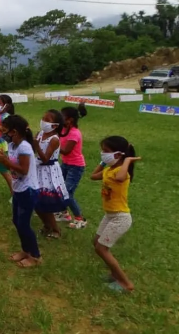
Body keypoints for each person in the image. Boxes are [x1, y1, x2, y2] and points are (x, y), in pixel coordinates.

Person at [0, 115, 41, 268]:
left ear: (14, 132)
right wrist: (3, 158)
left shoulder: (24, 147)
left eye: (5, 131)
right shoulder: (12, 145)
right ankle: (25, 251)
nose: (2, 133)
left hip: (28, 190)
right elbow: (13, 165)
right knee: (16, 221)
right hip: (18, 188)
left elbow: (24, 171)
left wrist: (5, 161)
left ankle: (35, 256)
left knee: (24, 224)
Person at [91, 136, 138, 292]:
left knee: (101, 249)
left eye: (106, 152)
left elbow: (119, 177)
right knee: (96, 242)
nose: (103, 153)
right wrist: (103, 162)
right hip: (110, 215)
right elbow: (93, 176)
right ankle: (114, 274)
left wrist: (127, 161)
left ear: (119, 154)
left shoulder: (122, 173)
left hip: (120, 218)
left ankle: (126, 284)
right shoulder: (109, 170)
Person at [33, 110, 70, 239]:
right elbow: (33, 151)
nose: (43, 121)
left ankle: (55, 229)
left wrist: (37, 146)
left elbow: (45, 159)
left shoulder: (54, 140)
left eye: (47, 119)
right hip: (37, 170)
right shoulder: (40, 134)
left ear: (55, 125)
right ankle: (46, 225)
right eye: (43, 118)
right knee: (36, 202)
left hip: (48, 172)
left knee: (46, 203)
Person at [58, 104, 88, 229]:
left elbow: (66, 151)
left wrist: (50, 145)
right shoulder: (64, 130)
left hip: (76, 166)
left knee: (67, 193)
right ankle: (64, 213)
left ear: (70, 119)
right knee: (59, 189)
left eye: (62, 117)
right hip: (65, 164)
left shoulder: (75, 133)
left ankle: (80, 219)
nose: (59, 119)